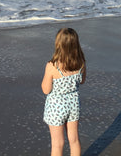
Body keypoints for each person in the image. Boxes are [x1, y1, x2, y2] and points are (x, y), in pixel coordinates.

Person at [41, 28, 87, 156]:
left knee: (57, 143)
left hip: (56, 106)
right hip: (73, 104)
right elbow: (82, 81)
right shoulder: (81, 63)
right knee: (74, 140)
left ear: (58, 45)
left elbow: (46, 90)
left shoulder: (52, 66)